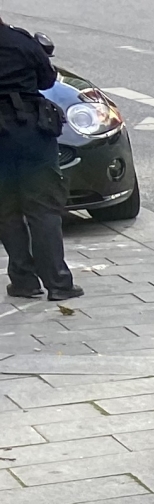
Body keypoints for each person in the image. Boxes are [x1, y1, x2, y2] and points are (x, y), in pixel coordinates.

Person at [0, 13, 73, 300]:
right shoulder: (20, 40)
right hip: (32, 131)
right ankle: (59, 283)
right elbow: (47, 78)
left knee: (6, 211)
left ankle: (23, 280)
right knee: (43, 209)